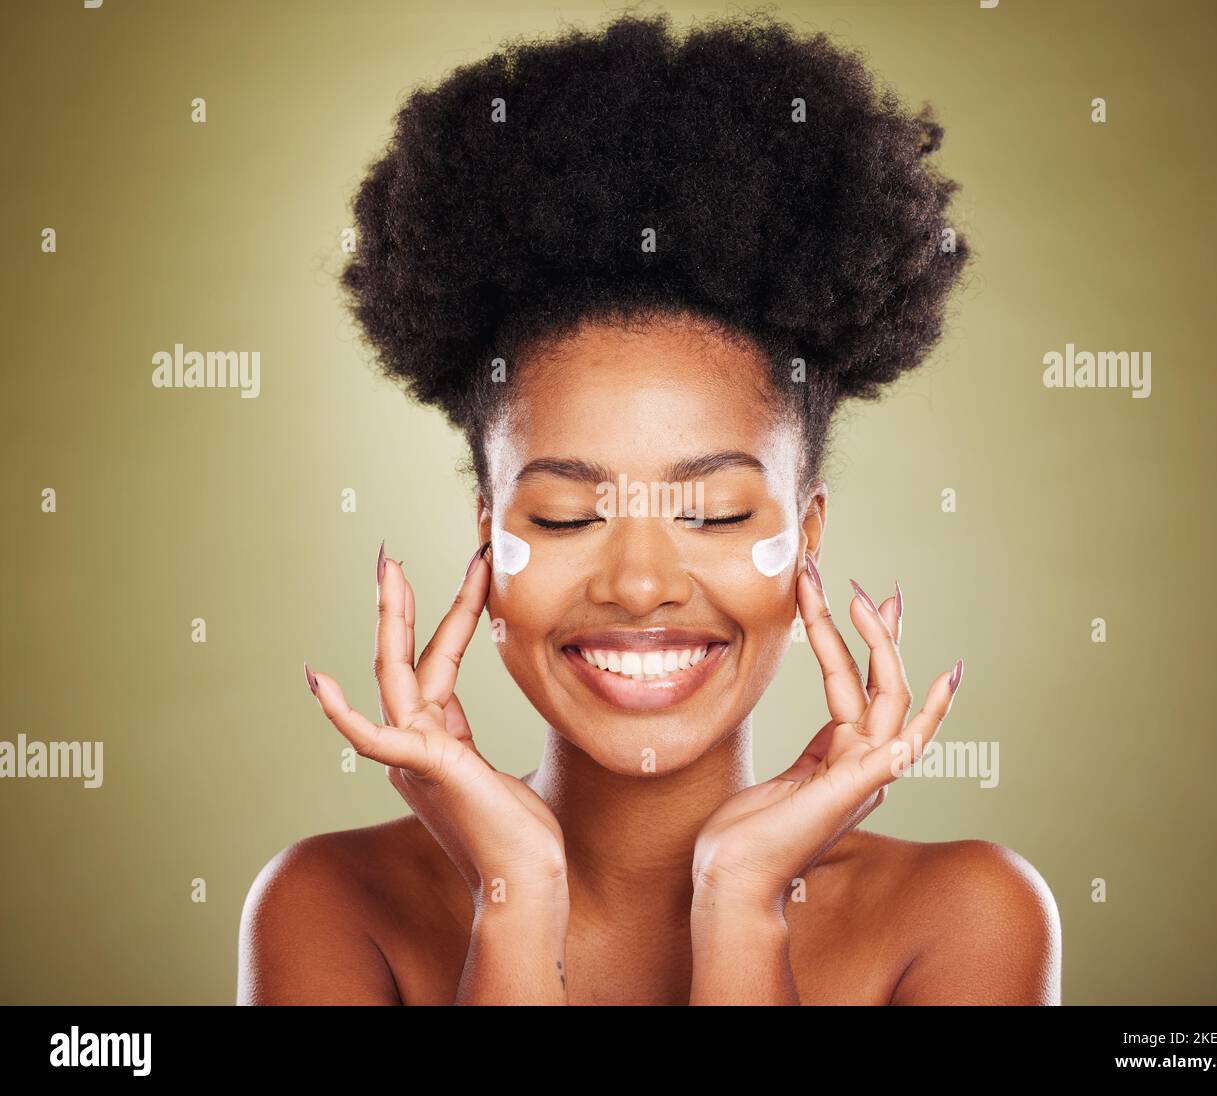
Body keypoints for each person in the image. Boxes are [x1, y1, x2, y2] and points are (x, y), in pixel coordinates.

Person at [237, 10, 1061, 1005]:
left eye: (712, 513)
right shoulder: (331, 902)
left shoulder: (960, 917)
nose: (637, 584)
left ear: (803, 540)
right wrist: (515, 898)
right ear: (488, 544)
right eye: (563, 517)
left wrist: (741, 904)